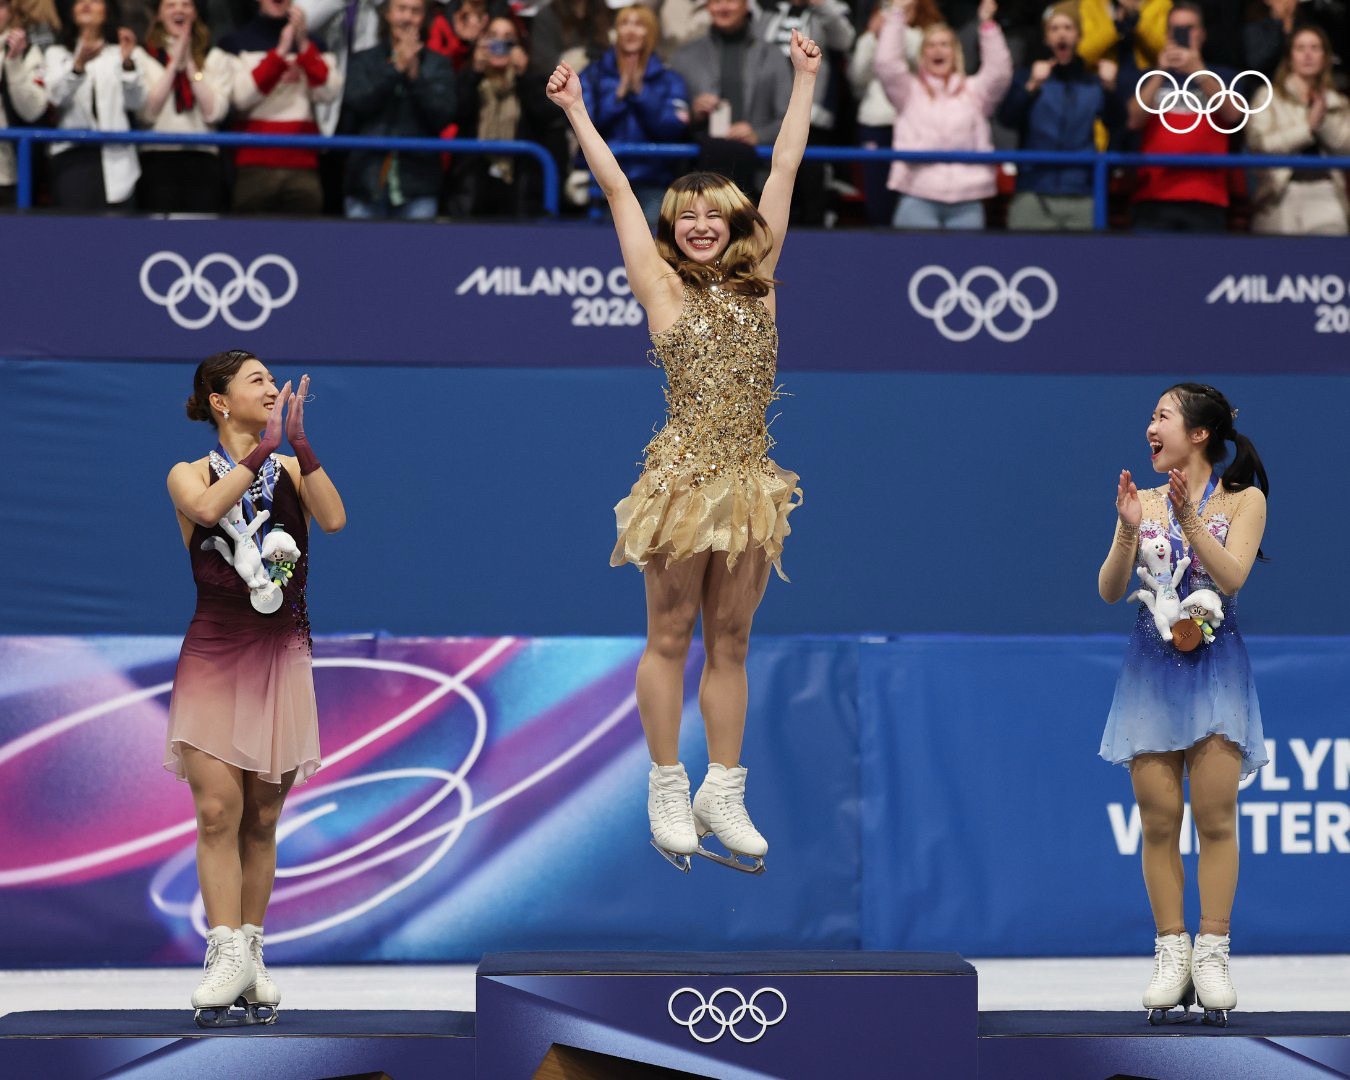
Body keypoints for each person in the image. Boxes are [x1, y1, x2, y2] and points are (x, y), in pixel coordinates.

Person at [546, 28, 816, 874]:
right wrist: (577, 111)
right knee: (670, 634)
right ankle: (667, 783)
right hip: (684, 479)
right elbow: (618, 190)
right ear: (672, 229)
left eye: (713, 214)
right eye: (685, 216)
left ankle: (722, 788)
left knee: (731, 639)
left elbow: (785, 167)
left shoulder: (760, 279)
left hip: (749, 483)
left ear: (736, 223)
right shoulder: (658, 286)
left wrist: (805, 79)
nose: (700, 225)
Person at [167, 352, 345, 1026]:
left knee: (263, 818)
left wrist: (299, 447)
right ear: (219, 401)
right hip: (215, 657)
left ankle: (252, 952)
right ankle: (224, 953)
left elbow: (334, 520)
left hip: (282, 658)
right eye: (257, 381)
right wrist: (261, 451)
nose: (272, 388)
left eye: (273, 381)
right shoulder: (188, 472)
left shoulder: (293, 471)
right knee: (218, 811)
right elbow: (209, 508)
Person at [1099, 383, 1269, 1027]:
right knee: (1159, 820)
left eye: (1162, 416)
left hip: (1217, 674)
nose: (1150, 427)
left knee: (1215, 816)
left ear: (1198, 433)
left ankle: (1212, 951)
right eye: (1151, 416)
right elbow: (1109, 590)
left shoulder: (1244, 499)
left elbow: (1232, 577)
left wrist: (1189, 519)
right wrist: (1127, 529)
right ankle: (1171, 952)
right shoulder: (1141, 501)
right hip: (1150, 677)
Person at [874, 0, 1010, 230]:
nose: (938, 50)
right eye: (931, 45)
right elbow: (887, 64)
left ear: (955, 52)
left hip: (967, 199)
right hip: (917, 194)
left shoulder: (975, 92)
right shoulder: (908, 92)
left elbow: (999, 73)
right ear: (922, 54)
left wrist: (988, 26)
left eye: (945, 44)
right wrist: (896, 15)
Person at [998, 2, 1122, 230]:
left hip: (1081, 191)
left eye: (1067, 28)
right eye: (1054, 29)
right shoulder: (1028, 77)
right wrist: (1031, 86)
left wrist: (1111, 90)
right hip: (1033, 190)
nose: (1061, 34)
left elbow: (1117, 122)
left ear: (1078, 36)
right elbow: (1007, 119)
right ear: (1046, 39)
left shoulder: (1093, 83)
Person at [220, 0, 343, 215]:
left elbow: (329, 92)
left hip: (303, 165)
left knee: (305, 235)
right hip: (254, 164)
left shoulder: (314, 45)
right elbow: (240, 97)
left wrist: (303, 45)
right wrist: (279, 54)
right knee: (249, 234)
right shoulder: (234, 43)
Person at [1126, 2, 1239, 233]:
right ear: (1167, 34)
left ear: (1202, 34)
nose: (1182, 34)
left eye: (1189, 28)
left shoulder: (1224, 76)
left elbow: (1233, 114)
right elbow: (1133, 120)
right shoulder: (1148, 77)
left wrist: (1198, 71)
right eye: (1176, 29)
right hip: (1153, 196)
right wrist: (1160, 72)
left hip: (1207, 197)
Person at [342, 0, 456, 220]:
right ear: (388, 14)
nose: (407, 18)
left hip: (418, 184)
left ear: (424, 18)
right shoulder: (364, 60)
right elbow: (357, 102)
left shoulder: (438, 64)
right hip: (366, 181)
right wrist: (396, 69)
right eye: (401, 9)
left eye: (415, 11)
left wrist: (415, 76)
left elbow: (443, 115)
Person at [669, 0, 794, 196]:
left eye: (731, 0)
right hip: (698, 177)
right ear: (707, 6)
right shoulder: (685, 56)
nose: (723, 7)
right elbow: (668, 118)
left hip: (759, 174)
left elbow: (790, 118)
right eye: (716, 1)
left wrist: (758, 135)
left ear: (746, 5)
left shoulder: (773, 55)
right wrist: (693, 113)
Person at [447, 14, 567, 216]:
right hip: (475, 189)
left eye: (508, 38)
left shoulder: (534, 80)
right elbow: (454, 114)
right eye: (493, 36)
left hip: (520, 190)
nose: (499, 44)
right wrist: (474, 72)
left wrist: (524, 76)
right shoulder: (470, 79)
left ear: (519, 46)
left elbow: (547, 118)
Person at [579, 3, 689, 223]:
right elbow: (582, 123)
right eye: (624, 23)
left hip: (653, 180)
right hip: (601, 182)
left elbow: (673, 128)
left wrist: (641, 93)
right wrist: (618, 94)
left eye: (639, 24)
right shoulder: (593, 75)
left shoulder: (670, 79)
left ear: (651, 32)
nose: (630, 30)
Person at [1244, 25, 1350, 236]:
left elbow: (1346, 147)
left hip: (1327, 192)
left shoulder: (1338, 102)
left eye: (1315, 48)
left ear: (1325, 57)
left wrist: (1323, 122)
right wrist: (1307, 128)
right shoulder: (1267, 97)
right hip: (1278, 193)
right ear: (1290, 57)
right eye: (1300, 48)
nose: (1308, 54)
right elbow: (1260, 146)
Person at [44, 0, 146, 209]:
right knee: (76, 227)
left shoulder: (123, 52)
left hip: (117, 158)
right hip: (72, 156)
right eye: (80, 1)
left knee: (117, 227)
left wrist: (127, 63)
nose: (86, 4)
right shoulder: (57, 53)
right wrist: (78, 66)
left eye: (95, 0)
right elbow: (55, 98)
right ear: (71, 11)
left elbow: (136, 103)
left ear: (107, 11)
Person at [849, 0, 942, 226]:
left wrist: (893, 26)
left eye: (906, 8)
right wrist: (872, 38)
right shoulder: (870, 38)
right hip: (876, 122)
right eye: (891, 7)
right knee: (877, 194)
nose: (898, 12)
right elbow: (857, 78)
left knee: (912, 192)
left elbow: (919, 60)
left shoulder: (922, 37)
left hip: (913, 123)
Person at [138, 0, 232, 212]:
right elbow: (147, 113)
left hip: (204, 159)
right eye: (170, 5)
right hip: (157, 158)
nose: (179, 10)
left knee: (202, 229)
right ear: (159, 15)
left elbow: (214, 113)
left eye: (186, 4)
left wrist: (189, 63)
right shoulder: (142, 56)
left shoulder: (215, 57)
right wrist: (174, 65)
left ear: (195, 12)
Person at [0, 0, 48, 207]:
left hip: (9, 175)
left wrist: (13, 63)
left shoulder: (27, 52)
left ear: (12, 11)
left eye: (1, 5)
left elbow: (33, 111)